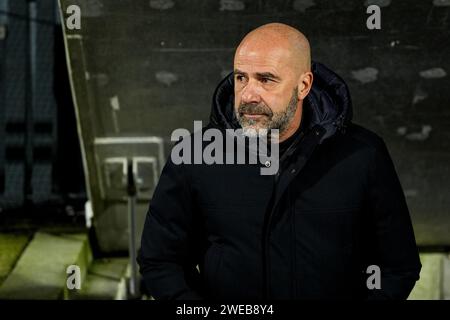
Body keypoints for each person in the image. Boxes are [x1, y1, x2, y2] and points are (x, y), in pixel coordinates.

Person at [137, 23, 421, 300]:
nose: (248, 94)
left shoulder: (362, 154)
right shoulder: (194, 155)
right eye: (240, 78)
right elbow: (160, 261)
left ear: (303, 85)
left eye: (266, 79)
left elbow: (398, 266)